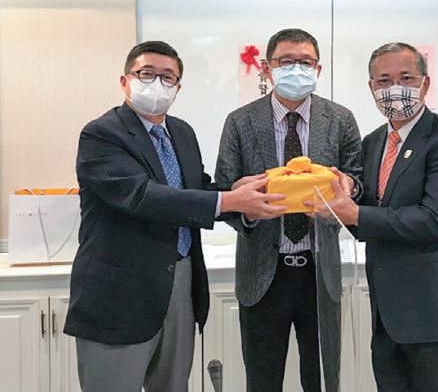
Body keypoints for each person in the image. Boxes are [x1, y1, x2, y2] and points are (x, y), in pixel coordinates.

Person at [63, 41, 285, 392]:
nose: (157, 84)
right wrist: (228, 200)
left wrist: (238, 193)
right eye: (146, 74)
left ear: (178, 87)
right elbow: (141, 195)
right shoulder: (102, 134)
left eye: (168, 77)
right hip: (120, 293)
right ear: (124, 81)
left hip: (181, 282)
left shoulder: (181, 132)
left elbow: (193, 188)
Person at [325, 42, 438, 392]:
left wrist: (355, 212)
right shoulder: (373, 142)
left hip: (437, 314)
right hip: (387, 317)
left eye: (406, 78)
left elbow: (434, 221)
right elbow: (369, 214)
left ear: (425, 83)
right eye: (384, 81)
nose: (395, 89)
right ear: (371, 88)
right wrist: (345, 192)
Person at [215, 28, 362, 392]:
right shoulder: (240, 121)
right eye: (286, 61)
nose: (297, 69)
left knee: (323, 378)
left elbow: (358, 181)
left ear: (318, 69)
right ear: (267, 68)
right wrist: (248, 208)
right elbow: (224, 190)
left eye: (306, 62)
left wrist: (347, 187)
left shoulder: (340, 119)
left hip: (320, 271)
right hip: (263, 272)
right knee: (262, 380)